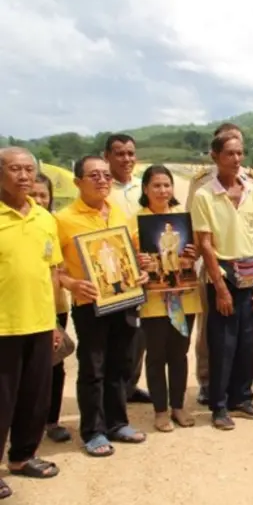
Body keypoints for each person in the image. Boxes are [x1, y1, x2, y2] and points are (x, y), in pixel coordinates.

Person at [56, 155, 150, 456]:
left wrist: (142, 269)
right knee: (93, 368)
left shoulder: (121, 212)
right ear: (77, 182)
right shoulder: (63, 219)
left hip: (123, 300)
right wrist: (70, 283)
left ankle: (117, 423)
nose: (102, 181)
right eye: (93, 175)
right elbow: (50, 266)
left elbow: (134, 251)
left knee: (120, 365)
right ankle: (93, 431)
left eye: (106, 176)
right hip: (89, 305)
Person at [191, 133, 253, 430]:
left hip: (251, 272)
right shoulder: (204, 195)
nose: (237, 160)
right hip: (223, 273)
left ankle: (242, 397)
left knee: (247, 340)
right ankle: (219, 405)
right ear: (215, 156)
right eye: (229, 154)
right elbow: (205, 243)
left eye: (240, 154)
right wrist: (220, 287)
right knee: (222, 343)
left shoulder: (252, 191)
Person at [0, 147, 62, 501]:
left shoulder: (44, 218)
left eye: (28, 170)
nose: (23, 176)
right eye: (14, 169)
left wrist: (54, 321)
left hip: (39, 323)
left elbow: (51, 270)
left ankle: (23, 457)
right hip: (3, 326)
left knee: (34, 399)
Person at [133, 165, 202, 432]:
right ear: (145, 189)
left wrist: (192, 252)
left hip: (184, 295)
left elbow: (195, 253)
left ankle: (178, 406)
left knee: (179, 353)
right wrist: (139, 262)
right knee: (156, 354)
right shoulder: (136, 221)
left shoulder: (184, 219)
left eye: (167, 185)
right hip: (153, 298)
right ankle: (160, 410)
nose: (163, 190)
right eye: (156, 186)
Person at [104, 133, 152, 404]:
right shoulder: (102, 188)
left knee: (140, 334)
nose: (126, 159)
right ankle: (113, 390)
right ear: (106, 157)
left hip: (144, 269)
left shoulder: (140, 187)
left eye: (130, 153)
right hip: (114, 270)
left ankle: (130, 384)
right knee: (117, 334)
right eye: (119, 153)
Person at [30, 173, 72, 443]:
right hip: (19, 308)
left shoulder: (52, 224)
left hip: (55, 306)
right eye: (32, 194)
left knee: (54, 365)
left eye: (43, 195)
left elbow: (60, 268)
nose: (38, 200)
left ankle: (51, 421)